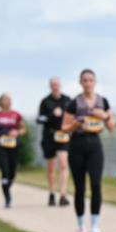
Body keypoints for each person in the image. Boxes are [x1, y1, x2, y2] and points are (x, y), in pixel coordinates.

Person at [62, 69, 115, 232]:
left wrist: (105, 116)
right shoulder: (74, 103)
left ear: (95, 82)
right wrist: (76, 124)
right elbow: (64, 127)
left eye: (91, 80)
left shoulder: (103, 101)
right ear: (80, 82)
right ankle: (80, 227)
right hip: (77, 145)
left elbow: (112, 126)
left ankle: (95, 226)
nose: (88, 83)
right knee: (80, 187)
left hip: (95, 146)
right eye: (84, 80)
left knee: (96, 185)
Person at [37, 77, 73, 207]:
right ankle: (52, 192)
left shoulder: (67, 100)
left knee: (63, 163)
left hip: (63, 135)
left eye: (57, 84)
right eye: (53, 85)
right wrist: (51, 115)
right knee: (51, 166)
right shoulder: (45, 101)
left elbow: (74, 115)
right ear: (50, 86)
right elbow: (39, 119)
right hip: (49, 136)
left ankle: (63, 195)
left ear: (60, 85)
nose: (55, 87)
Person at [0, 93, 26, 208]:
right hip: (1, 146)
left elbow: (23, 128)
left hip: (13, 145)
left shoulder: (16, 115)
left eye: (10, 99)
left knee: (12, 172)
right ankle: (7, 197)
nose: (8, 101)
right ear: (0, 102)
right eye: (6, 99)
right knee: (5, 171)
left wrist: (18, 132)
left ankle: (7, 186)